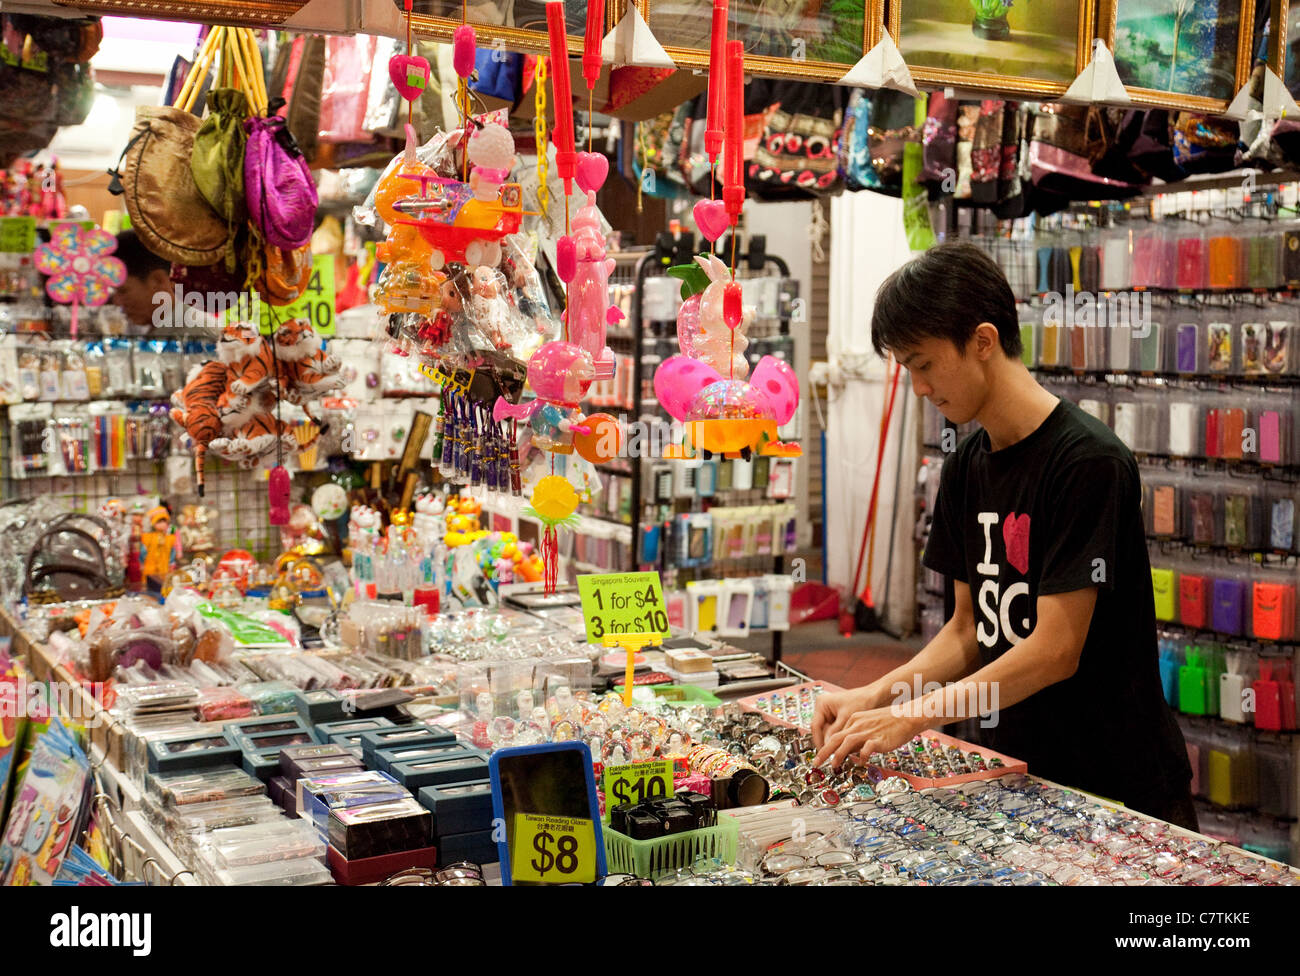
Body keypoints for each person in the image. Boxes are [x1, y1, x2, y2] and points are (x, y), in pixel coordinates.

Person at [812, 242, 1196, 830]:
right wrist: (876, 696)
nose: (918, 387)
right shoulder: (965, 464)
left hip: (1118, 779)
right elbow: (968, 629)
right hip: (1018, 768)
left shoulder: (1088, 462)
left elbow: (1055, 650)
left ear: (983, 342)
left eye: (923, 364)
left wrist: (913, 715)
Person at [110, 230, 218, 333]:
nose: (117, 302)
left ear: (157, 281)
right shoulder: (145, 328)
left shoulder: (199, 336)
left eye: (123, 291)